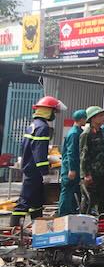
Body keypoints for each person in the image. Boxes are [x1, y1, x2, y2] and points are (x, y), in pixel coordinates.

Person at [12, 95, 65, 225]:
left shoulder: (34, 125)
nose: (54, 115)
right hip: (34, 170)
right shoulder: (43, 127)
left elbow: (28, 148)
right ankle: (14, 227)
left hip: (29, 167)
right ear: (48, 111)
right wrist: (44, 171)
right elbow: (39, 151)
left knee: (37, 200)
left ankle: (38, 226)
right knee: (25, 199)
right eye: (53, 111)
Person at [80, 106, 104, 215]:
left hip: (101, 172)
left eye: (103, 115)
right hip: (91, 174)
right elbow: (84, 155)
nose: (103, 118)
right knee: (88, 201)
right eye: (100, 116)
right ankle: (84, 221)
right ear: (92, 118)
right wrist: (86, 174)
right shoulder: (87, 133)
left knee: (102, 200)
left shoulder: (100, 132)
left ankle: (100, 222)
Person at [57, 109, 87, 216]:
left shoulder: (78, 131)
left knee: (73, 191)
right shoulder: (74, 133)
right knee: (67, 192)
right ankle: (63, 214)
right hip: (70, 168)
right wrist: (72, 169)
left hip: (74, 167)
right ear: (81, 119)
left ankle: (72, 213)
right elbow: (71, 152)